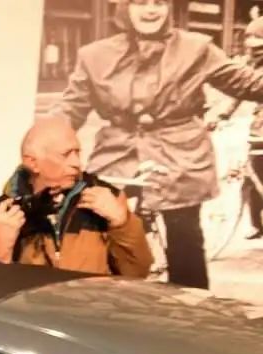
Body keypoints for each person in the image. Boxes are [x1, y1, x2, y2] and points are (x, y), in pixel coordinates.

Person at [52, 0, 263, 288]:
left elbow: (247, 84)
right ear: (125, 7)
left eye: (159, 2)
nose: (150, 10)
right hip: (117, 151)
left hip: (180, 153)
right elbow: (71, 108)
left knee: (184, 236)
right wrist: (46, 140)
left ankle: (189, 305)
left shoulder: (197, 48)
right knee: (91, 223)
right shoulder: (94, 55)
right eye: (141, 2)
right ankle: (94, 299)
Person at [0, 117, 152, 277]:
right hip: (31, 307)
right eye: (66, 155)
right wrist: (1, 252)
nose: (77, 163)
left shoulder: (108, 200)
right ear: (32, 162)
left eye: (77, 153)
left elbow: (137, 273)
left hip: (91, 306)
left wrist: (122, 223)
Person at [212, 17, 263, 241]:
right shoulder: (250, 67)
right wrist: (222, 114)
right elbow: (239, 91)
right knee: (252, 178)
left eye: (259, 45)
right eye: (251, 44)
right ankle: (255, 224)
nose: (254, 50)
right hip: (259, 129)